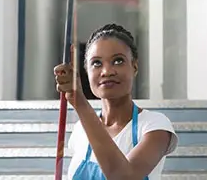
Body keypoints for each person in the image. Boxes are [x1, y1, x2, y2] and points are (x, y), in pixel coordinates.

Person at [54, 23, 178, 180]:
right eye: (97, 63)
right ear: (87, 71)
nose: (107, 71)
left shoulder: (154, 126)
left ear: (134, 66)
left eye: (118, 61)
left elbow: (124, 177)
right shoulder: (80, 130)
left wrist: (79, 102)